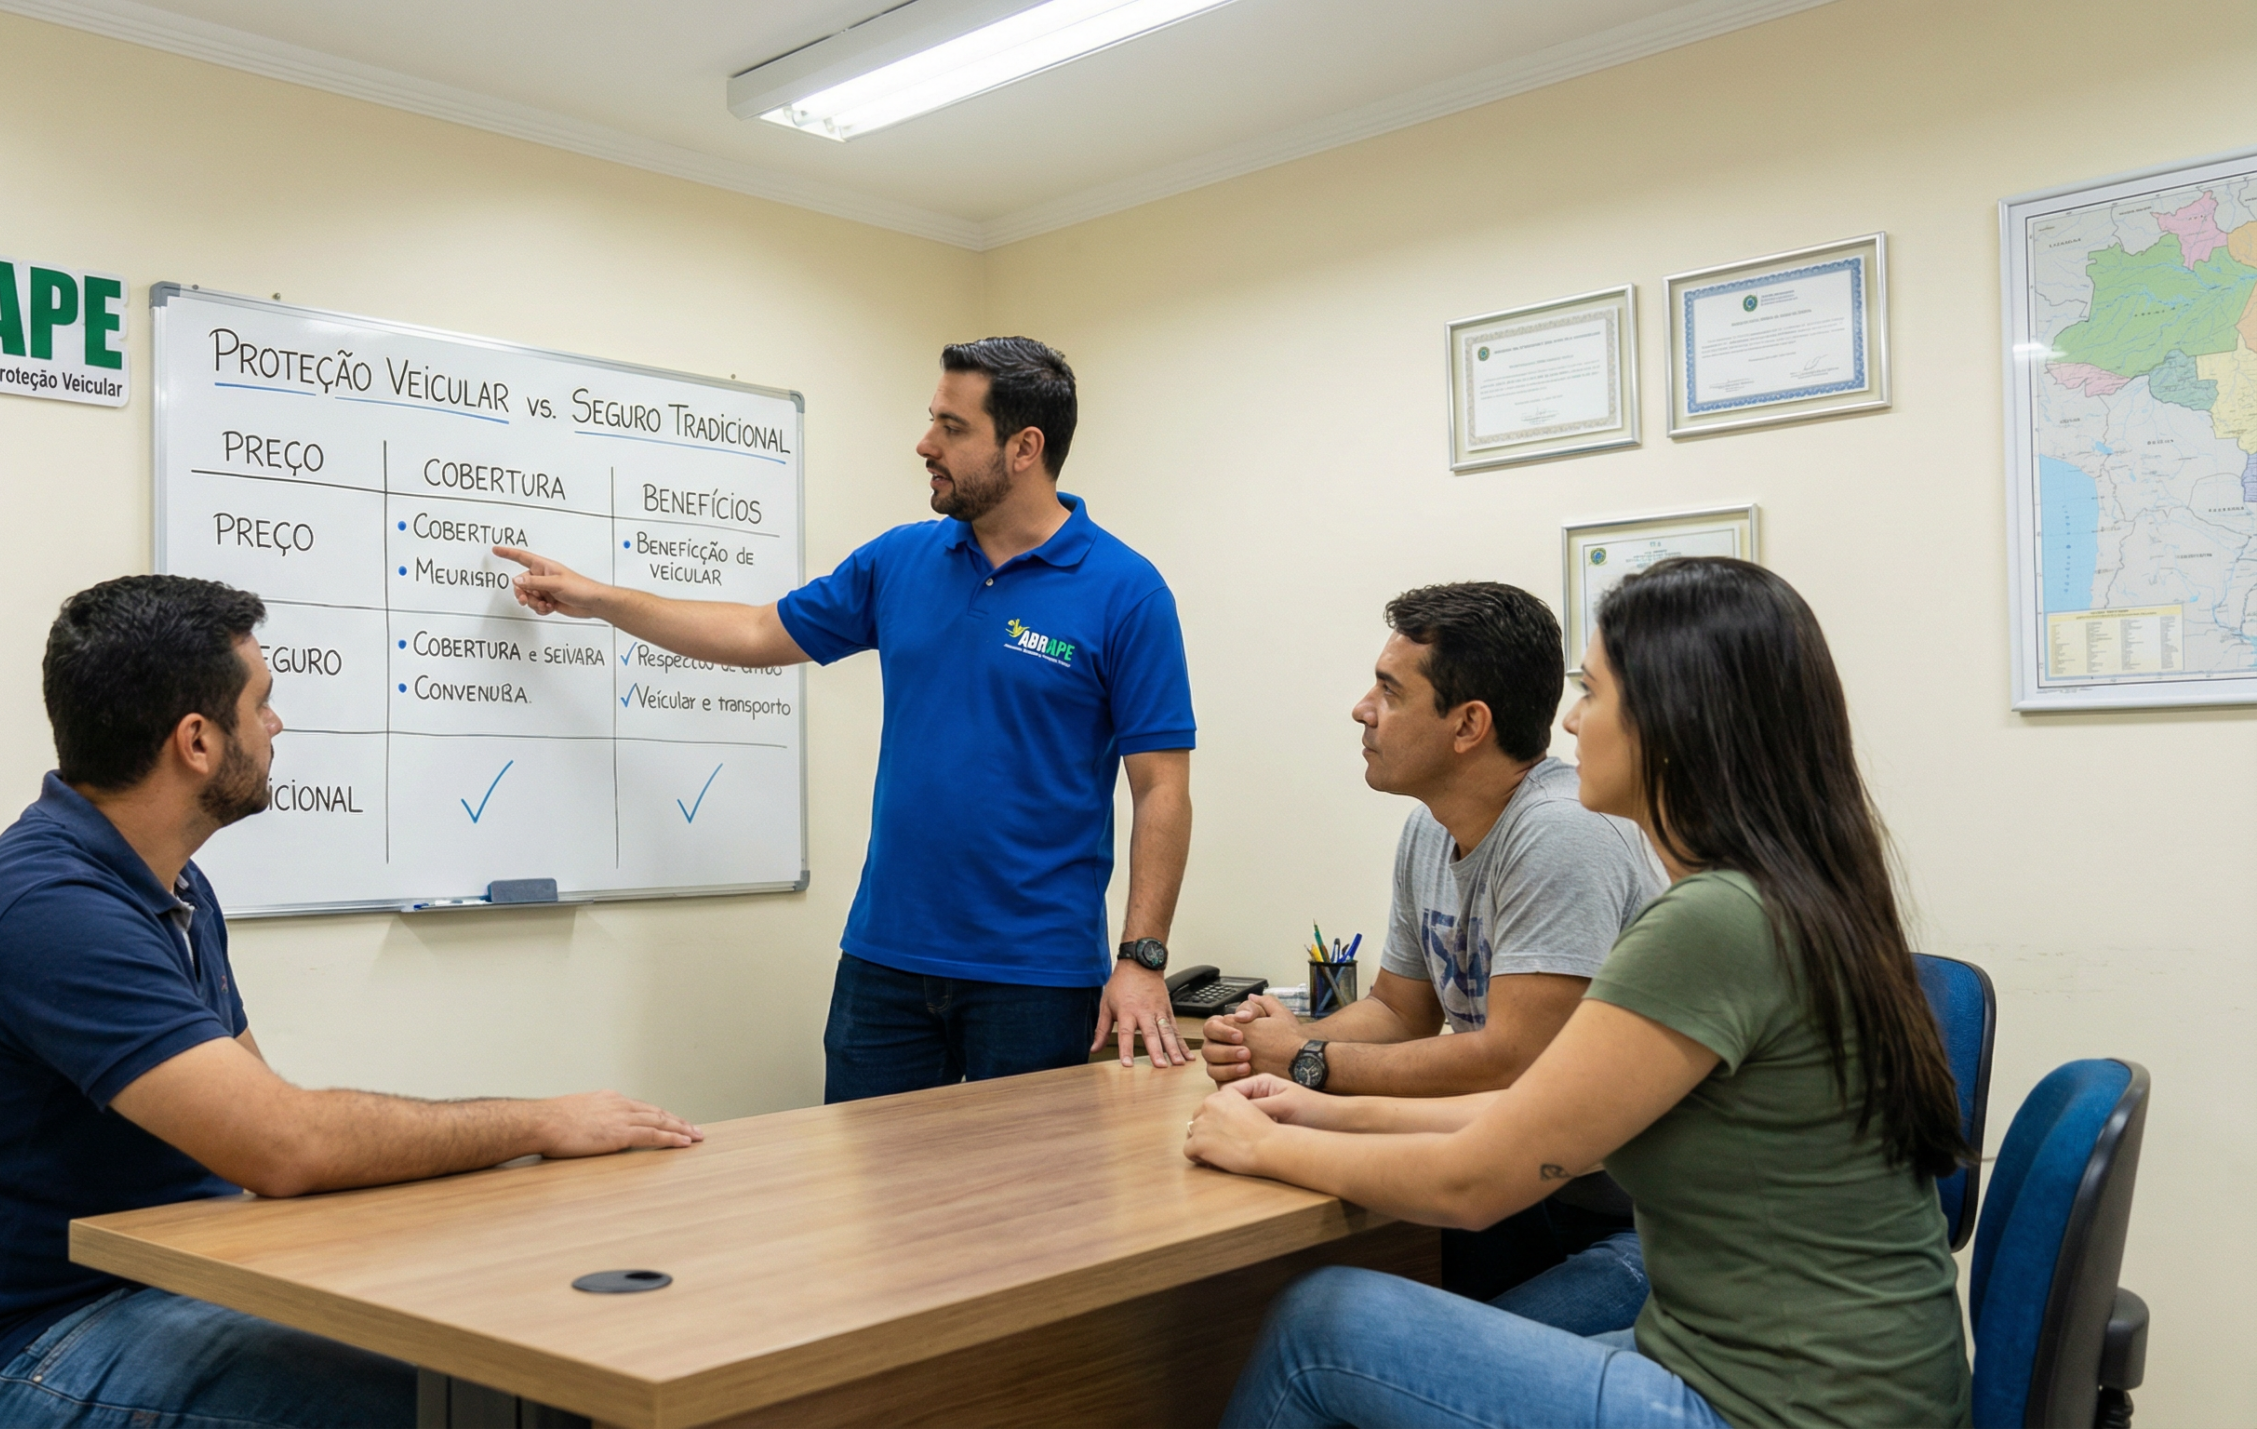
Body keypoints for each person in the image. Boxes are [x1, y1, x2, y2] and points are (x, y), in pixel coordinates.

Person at [0, 576, 701, 1429]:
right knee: (497, 1408)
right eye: (261, 702)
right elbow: (283, 1147)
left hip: (174, 1281)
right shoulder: (51, 908)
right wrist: (540, 1123)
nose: (276, 724)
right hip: (15, 1360)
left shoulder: (170, 882)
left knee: (524, 1364)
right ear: (196, 741)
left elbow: (256, 1128)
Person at [1189, 557, 1972, 1429]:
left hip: (1781, 1409)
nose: (1568, 719)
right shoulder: (1778, 899)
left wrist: (1263, 1145)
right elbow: (1525, 1114)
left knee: (1324, 1322)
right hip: (1768, 1369)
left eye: (1593, 695)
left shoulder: (1713, 923)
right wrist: (1305, 1109)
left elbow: (1476, 1179)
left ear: (1673, 725)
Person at [493, 338, 1197, 1100]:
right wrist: (598, 600)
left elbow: (1161, 790)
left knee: (1020, 1215)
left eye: (953, 428)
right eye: (932, 419)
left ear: (1025, 447)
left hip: (1035, 975)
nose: (925, 444)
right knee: (871, 1209)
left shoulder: (1127, 592)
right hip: (886, 961)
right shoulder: (900, 561)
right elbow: (758, 632)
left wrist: (1142, 958)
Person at [1201, 582, 1663, 1331]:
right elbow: (1398, 1010)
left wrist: (1307, 1063)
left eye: (1389, 690)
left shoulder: (1558, 832)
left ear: (1468, 724)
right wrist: (1276, 1037)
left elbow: (1518, 1062)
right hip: (1518, 1189)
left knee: (1336, 1330)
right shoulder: (1429, 829)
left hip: (1622, 1223)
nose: (1362, 708)